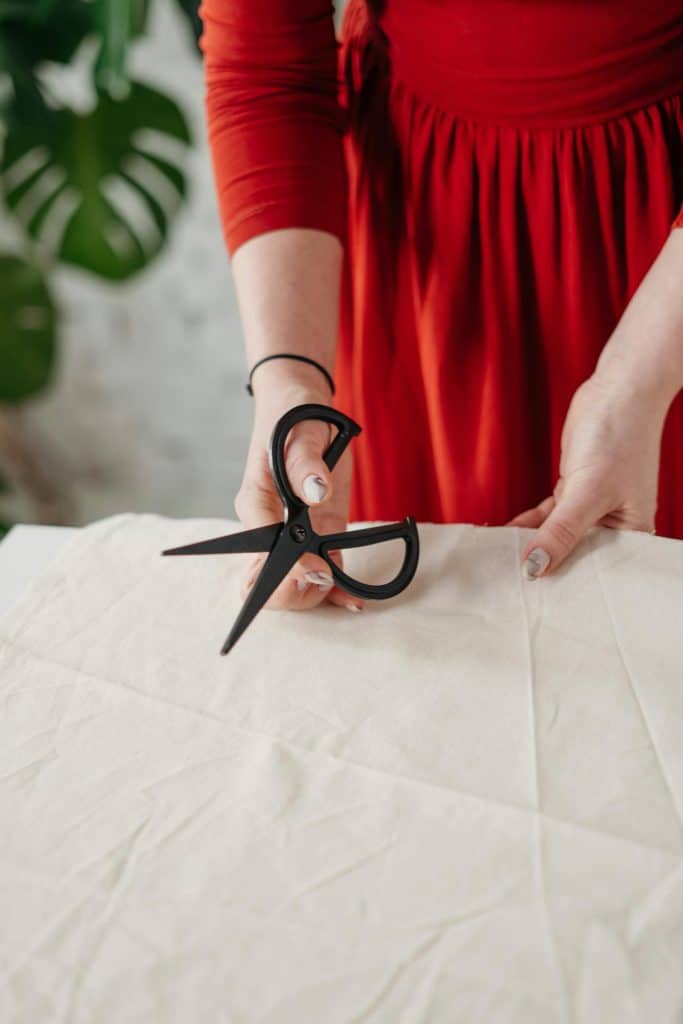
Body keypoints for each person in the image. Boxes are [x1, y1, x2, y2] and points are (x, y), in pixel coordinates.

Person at [198, 0, 683, 614]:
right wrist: (289, 376)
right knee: (437, 610)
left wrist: (637, 384)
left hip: (662, 258)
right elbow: (267, 65)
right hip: (425, 236)